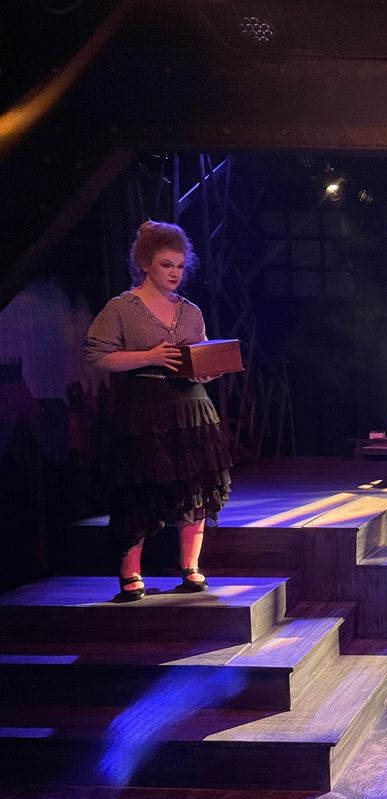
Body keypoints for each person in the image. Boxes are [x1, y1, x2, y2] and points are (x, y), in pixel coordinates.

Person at [85, 220, 232, 602]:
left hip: (191, 406)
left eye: (180, 266)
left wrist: (209, 369)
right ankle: (131, 572)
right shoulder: (122, 307)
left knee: (196, 487)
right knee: (141, 489)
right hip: (146, 407)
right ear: (146, 263)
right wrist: (147, 356)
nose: (174, 274)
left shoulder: (191, 311)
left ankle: (191, 566)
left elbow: (200, 355)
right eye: (167, 265)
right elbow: (97, 356)